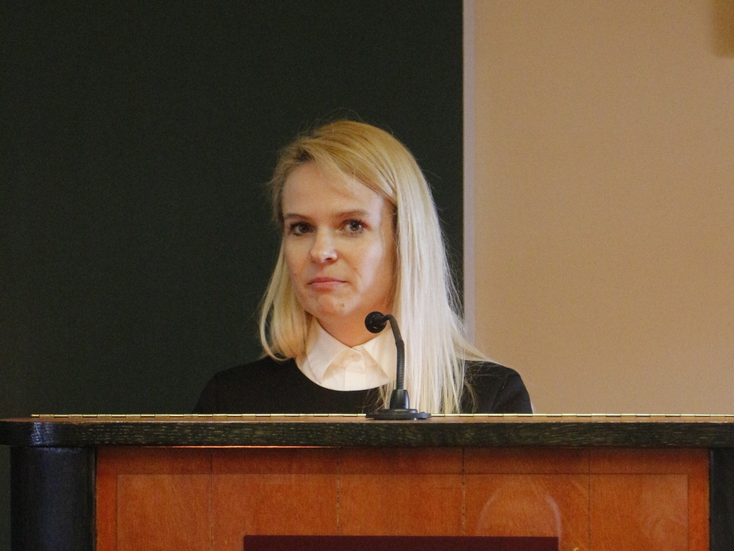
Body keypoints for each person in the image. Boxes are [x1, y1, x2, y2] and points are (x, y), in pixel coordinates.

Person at [194, 120, 531, 415]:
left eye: (352, 225)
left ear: (404, 239)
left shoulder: (488, 399)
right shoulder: (231, 402)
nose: (320, 252)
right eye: (301, 228)